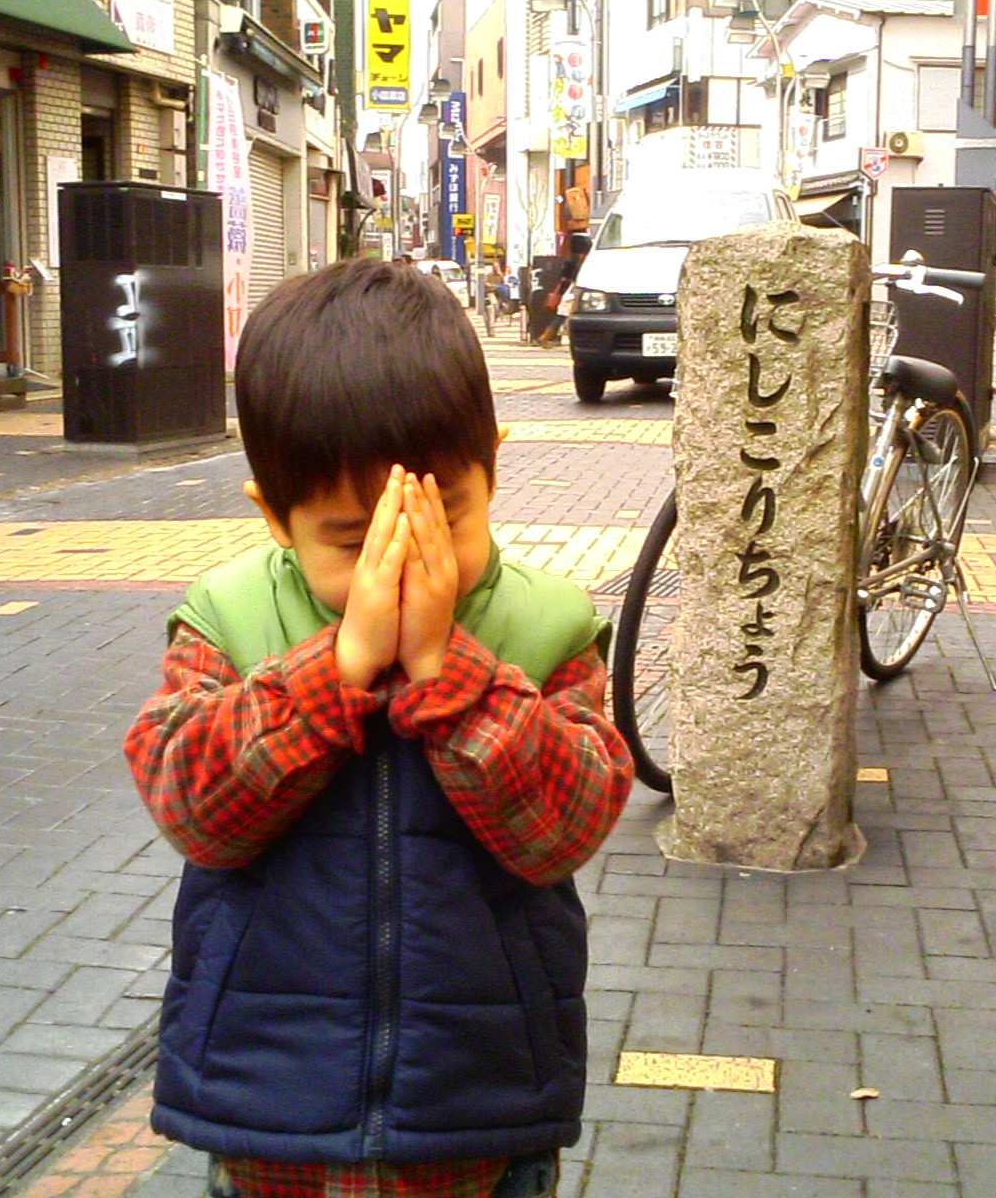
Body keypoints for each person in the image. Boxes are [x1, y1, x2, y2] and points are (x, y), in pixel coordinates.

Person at [124, 258, 634, 1198]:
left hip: (479, 1105)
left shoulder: (547, 624)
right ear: (275, 518)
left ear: (493, 468)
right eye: (355, 542)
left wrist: (452, 673)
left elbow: (564, 830)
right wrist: (339, 664)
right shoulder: (227, 618)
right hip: (270, 1102)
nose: (397, 566)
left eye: (443, 519)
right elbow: (194, 808)